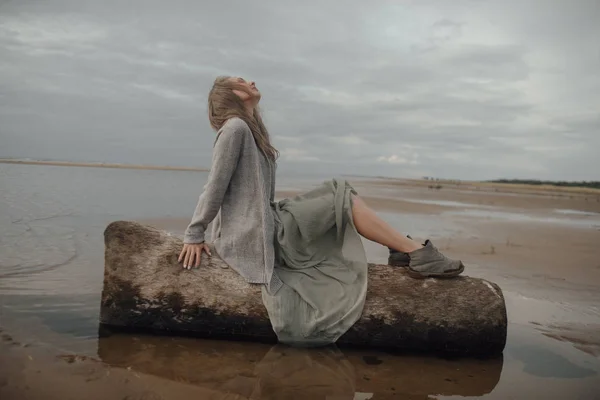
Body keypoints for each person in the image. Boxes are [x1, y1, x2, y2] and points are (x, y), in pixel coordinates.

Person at [178, 76, 465, 346]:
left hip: (269, 217)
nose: (250, 82)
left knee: (340, 192)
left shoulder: (252, 131)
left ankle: (406, 251)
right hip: (253, 232)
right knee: (342, 198)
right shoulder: (234, 128)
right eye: (240, 82)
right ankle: (415, 253)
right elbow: (214, 185)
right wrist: (194, 233)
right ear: (229, 96)